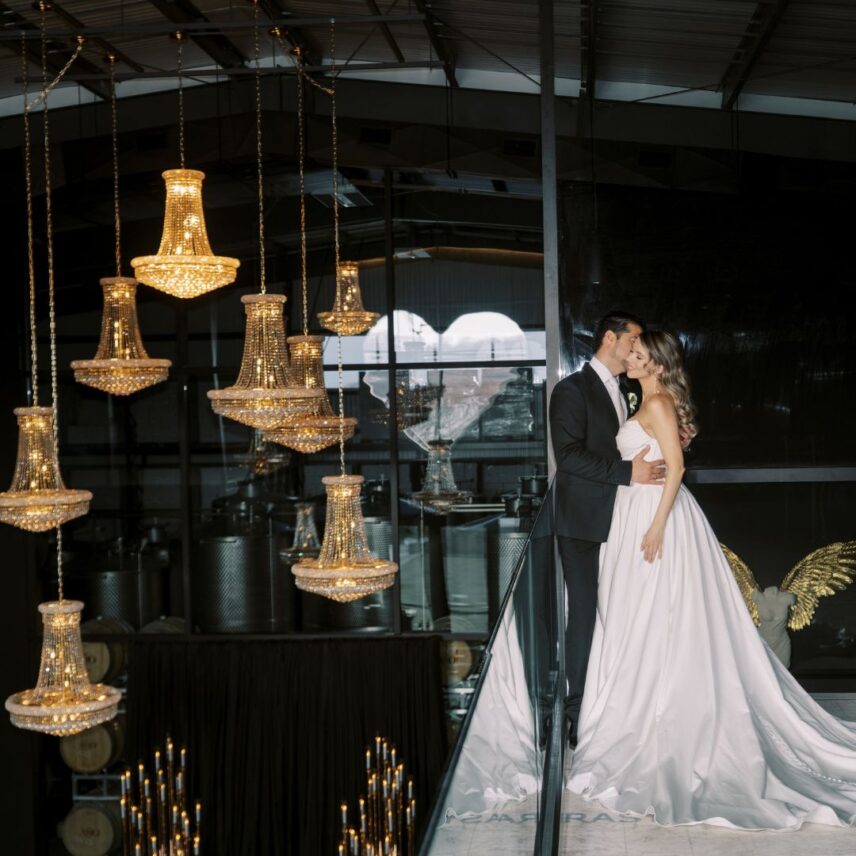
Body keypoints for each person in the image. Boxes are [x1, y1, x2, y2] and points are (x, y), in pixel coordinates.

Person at [566, 330, 856, 829]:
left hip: (653, 517)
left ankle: (657, 721)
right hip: (635, 513)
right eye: (631, 351)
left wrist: (656, 525)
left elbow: (676, 468)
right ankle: (634, 714)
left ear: (657, 365)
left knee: (655, 617)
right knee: (635, 617)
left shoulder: (657, 402)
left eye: (638, 354)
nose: (630, 358)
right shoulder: (649, 401)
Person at [549, 311, 665, 747]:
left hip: (624, 519)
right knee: (584, 613)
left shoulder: (628, 389)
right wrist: (628, 473)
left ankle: (622, 703)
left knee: (623, 610)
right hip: (582, 523)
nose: (638, 349)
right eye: (633, 340)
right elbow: (568, 456)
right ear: (610, 338)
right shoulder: (571, 389)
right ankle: (576, 714)